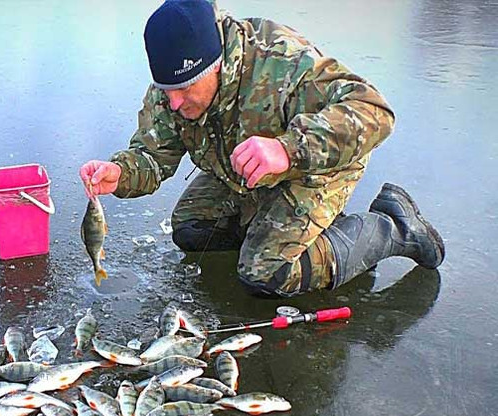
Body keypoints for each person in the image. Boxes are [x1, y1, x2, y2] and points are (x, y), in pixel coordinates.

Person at [79, 0, 445, 297]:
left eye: (185, 89)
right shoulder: (172, 88)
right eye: (166, 90)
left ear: (217, 65)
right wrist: (122, 173)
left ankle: (394, 227)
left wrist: (289, 149)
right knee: (192, 229)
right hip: (244, 173)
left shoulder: (282, 61)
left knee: (266, 273)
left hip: (315, 166)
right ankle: (281, 228)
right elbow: (154, 154)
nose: (174, 102)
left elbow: (375, 112)